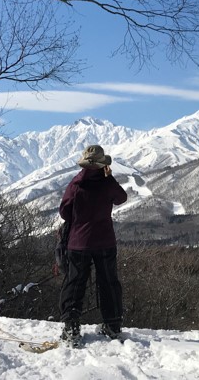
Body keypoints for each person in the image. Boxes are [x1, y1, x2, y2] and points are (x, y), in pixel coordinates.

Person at [58, 144, 128, 347]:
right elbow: (121, 198)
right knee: (109, 282)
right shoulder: (107, 183)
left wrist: (79, 219)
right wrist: (110, 178)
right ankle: (112, 325)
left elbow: (64, 211)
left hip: (79, 242)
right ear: (102, 164)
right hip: (105, 241)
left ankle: (71, 327)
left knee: (75, 283)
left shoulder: (77, 183)